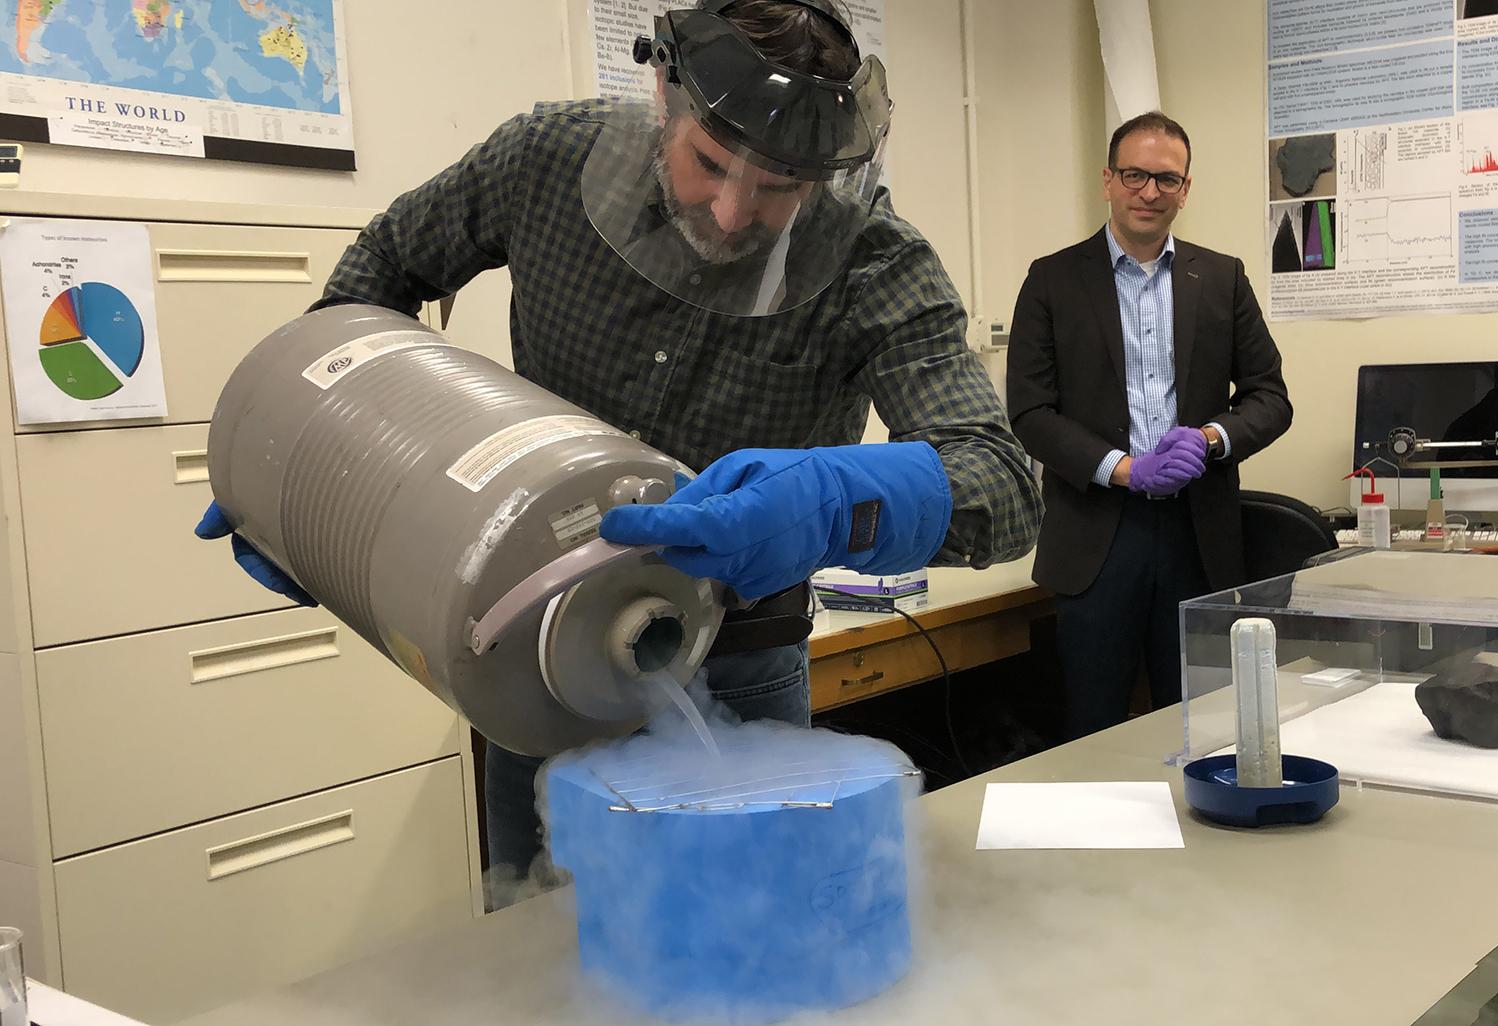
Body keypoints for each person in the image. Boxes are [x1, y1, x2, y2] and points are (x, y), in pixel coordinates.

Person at [196, 0, 1040, 896]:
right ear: (662, 97)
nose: (731, 210)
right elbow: (384, 267)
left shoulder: (872, 262)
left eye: (779, 188)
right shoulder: (545, 161)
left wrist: (835, 497)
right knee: (541, 943)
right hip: (530, 661)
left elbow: (1004, 487)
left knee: (746, 935)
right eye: (708, 163)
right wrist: (320, 465)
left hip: (740, 665)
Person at [1006, 111, 1292, 741]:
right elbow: (1028, 411)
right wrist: (1125, 469)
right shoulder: (1052, 279)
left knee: (1202, 731)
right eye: (1134, 175)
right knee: (1093, 728)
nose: (1149, 191)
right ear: (1107, 180)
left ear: (1185, 189)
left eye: (1166, 179)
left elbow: (1270, 397)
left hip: (1199, 536)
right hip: (1095, 538)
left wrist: (1212, 439)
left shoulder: (1222, 278)